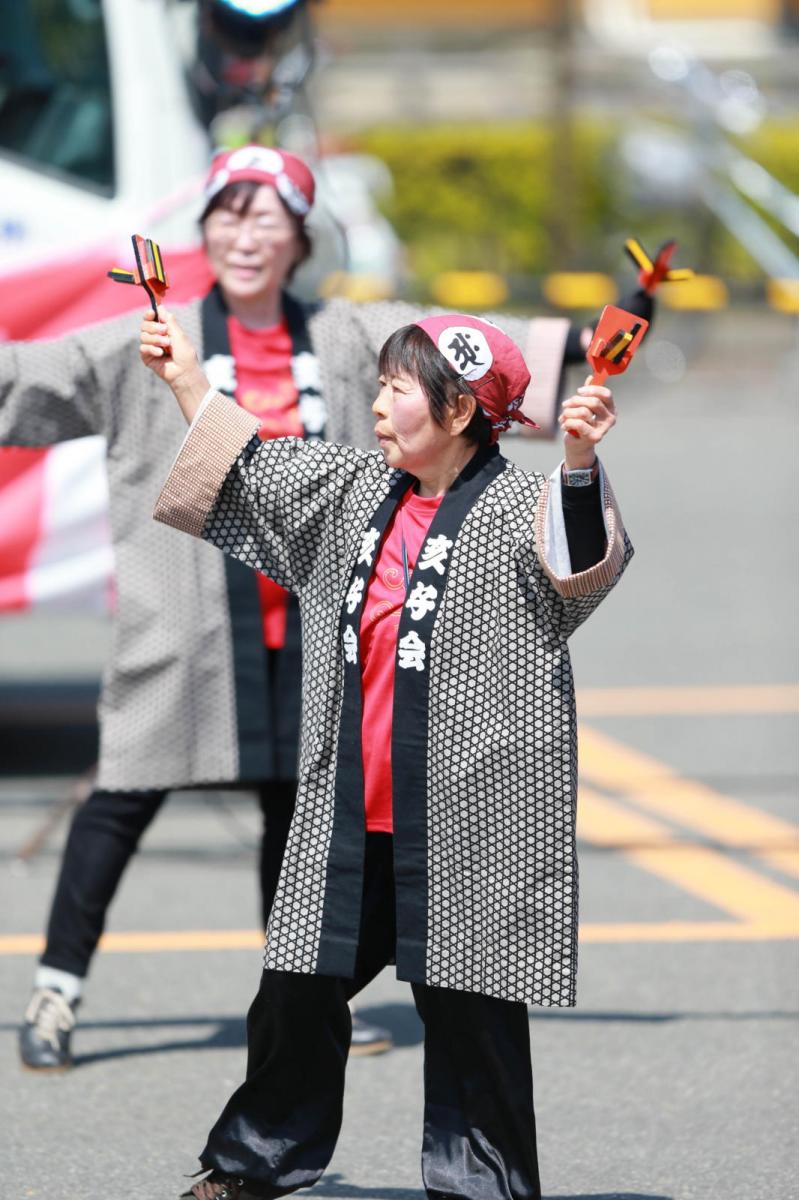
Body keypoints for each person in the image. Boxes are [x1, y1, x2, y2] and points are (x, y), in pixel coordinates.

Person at [4, 142, 646, 1069]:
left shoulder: (351, 338)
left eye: (268, 216)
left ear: (301, 237)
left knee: (297, 812)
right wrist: (183, 378)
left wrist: (617, 329)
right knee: (123, 796)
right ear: (205, 229)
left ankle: (304, 1003)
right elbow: (25, 382)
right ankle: (58, 990)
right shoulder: (152, 335)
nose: (246, 234)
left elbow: (486, 357)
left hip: (325, 631)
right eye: (229, 213)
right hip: (184, 624)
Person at [141, 299, 632, 1199]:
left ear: (458, 412)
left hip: (464, 816)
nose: (376, 403)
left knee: (468, 1007)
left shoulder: (524, 505)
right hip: (349, 807)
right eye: (378, 383)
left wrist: (577, 460)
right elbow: (254, 468)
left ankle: (480, 1185)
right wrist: (182, 377)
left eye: (398, 388)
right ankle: (257, 1163)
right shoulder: (355, 491)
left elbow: (581, 571)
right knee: (294, 983)